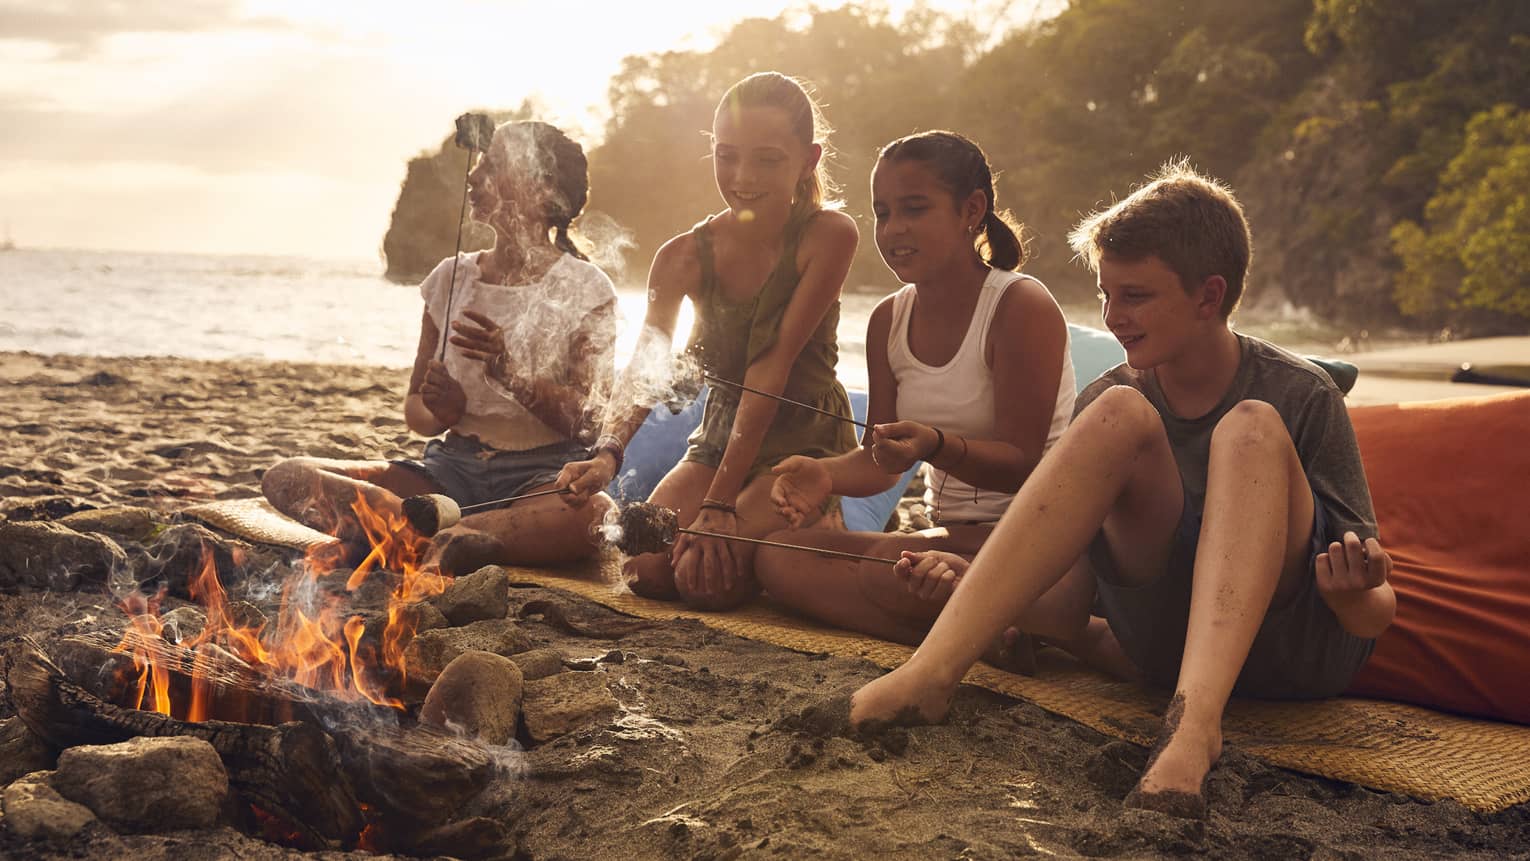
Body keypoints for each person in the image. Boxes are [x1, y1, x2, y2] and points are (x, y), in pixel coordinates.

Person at [848, 160, 1397, 818]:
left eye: (1135, 296)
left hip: (1289, 656)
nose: (1113, 317)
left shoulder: (1301, 394)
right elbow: (1067, 611)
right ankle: (930, 676)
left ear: (1208, 296)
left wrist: (1355, 591)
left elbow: (1372, 615)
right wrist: (973, 583)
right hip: (1159, 649)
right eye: (1106, 295)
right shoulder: (1110, 400)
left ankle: (1195, 729)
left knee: (1249, 427)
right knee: (1115, 410)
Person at [753, 130, 1074, 647]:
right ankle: (987, 635)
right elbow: (881, 462)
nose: (894, 229)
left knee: (891, 565)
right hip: (950, 541)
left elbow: (1025, 464)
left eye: (915, 209)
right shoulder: (888, 319)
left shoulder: (1019, 306)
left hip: (1033, 541)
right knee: (776, 557)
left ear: (971, 209)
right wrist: (823, 475)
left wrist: (937, 446)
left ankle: (982, 616)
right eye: (882, 213)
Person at [558, 72, 859, 610]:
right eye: (728, 156)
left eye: (768, 159)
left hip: (803, 434)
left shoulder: (829, 235)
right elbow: (647, 364)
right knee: (645, 567)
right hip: (722, 431)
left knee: (704, 579)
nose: (744, 177)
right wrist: (608, 454)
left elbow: (773, 365)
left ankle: (815, 523)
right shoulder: (682, 256)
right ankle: (775, 539)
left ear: (808, 160)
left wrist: (720, 505)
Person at [263, 120, 617, 573]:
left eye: (493, 166)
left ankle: (444, 533)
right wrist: (443, 414)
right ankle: (455, 535)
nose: (474, 177)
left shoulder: (587, 288)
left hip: (541, 479)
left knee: (595, 516)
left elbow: (589, 422)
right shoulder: (450, 278)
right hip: (449, 472)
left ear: (543, 189)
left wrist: (511, 377)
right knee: (287, 477)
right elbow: (417, 411)